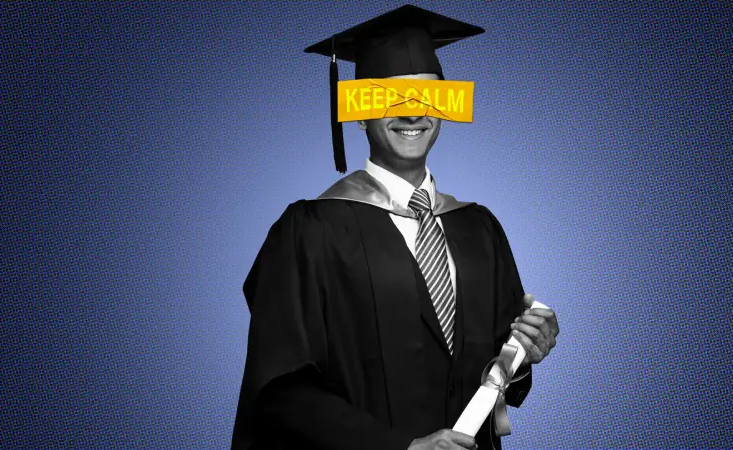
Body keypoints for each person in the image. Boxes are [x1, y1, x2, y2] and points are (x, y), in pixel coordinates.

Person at [231, 5, 559, 450]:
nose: (412, 114)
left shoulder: (478, 228)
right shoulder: (309, 231)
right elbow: (279, 389)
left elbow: (497, 376)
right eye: (388, 98)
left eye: (429, 97)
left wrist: (523, 355)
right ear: (359, 112)